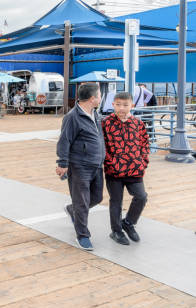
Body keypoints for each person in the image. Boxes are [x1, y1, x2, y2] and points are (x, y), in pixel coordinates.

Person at [56, 83, 105, 251]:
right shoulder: (72, 117)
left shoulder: (95, 114)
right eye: (99, 95)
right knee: (82, 202)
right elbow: (64, 140)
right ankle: (83, 235)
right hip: (80, 166)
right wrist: (63, 163)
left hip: (97, 164)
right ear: (92, 99)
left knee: (97, 197)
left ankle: (72, 209)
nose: (100, 98)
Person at [102, 92, 149, 246]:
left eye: (125, 105)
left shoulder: (138, 124)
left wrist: (142, 163)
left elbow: (144, 145)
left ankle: (128, 222)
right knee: (116, 201)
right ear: (113, 105)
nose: (121, 108)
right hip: (114, 171)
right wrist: (111, 162)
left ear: (132, 106)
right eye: (118, 104)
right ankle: (116, 231)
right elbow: (102, 147)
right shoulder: (106, 123)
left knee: (141, 196)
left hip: (134, 169)